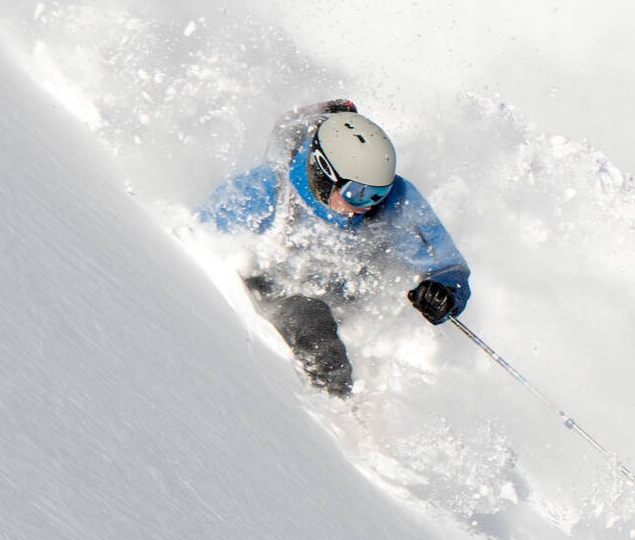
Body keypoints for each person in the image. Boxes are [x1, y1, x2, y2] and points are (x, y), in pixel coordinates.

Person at [197, 99, 470, 396]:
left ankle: (364, 389)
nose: (367, 205)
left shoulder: (395, 201)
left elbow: (448, 267)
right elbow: (201, 239)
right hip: (275, 292)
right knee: (312, 322)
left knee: (338, 323)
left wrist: (444, 293)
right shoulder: (268, 188)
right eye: (358, 193)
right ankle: (334, 410)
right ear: (323, 172)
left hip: (346, 302)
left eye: (378, 193)